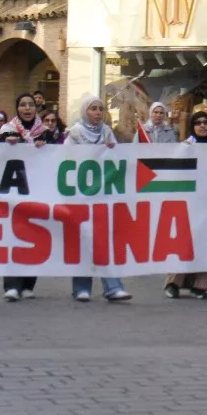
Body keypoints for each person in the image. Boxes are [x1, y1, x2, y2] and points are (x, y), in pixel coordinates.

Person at [65, 97, 133, 302]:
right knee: (83, 241)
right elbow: (65, 159)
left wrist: (112, 151)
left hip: (103, 195)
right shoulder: (74, 133)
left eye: (100, 109)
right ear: (85, 111)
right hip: (80, 195)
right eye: (93, 109)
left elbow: (116, 161)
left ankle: (113, 286)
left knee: (105, 241)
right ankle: (81, 287)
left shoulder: (106, 132)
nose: (97, 112)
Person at [0, 93, 48, 302]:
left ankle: (28, 284)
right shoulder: (6, 131)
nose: (27, 108)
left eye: (30, 105)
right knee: (14, 236)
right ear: (17, 108)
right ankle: (12, 285)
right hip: (14, 192)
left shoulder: (47, 133)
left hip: (39, 191)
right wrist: (5, 145)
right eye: (22, 105)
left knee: (35, 236)